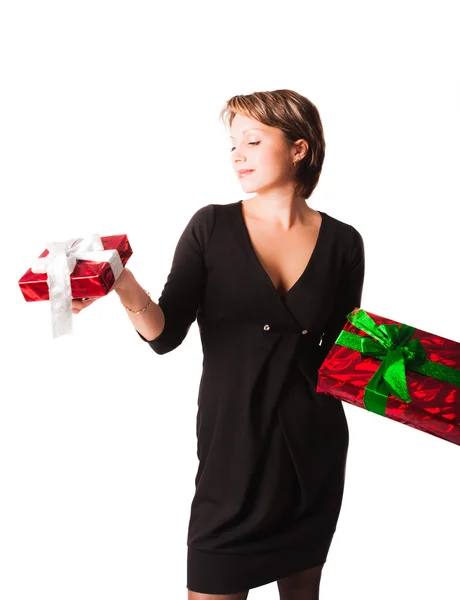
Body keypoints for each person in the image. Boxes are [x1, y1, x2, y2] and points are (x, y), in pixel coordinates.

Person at [72, 89, 365, 600]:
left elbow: (342, 356)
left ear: (299, 148)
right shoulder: (211, 226)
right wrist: (121, 282)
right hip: (231, 456)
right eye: (232, 145)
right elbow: (165, 336)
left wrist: (429, 383)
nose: (237, 155)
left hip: (312, 452)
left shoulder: (345, 242)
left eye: (253, 141)